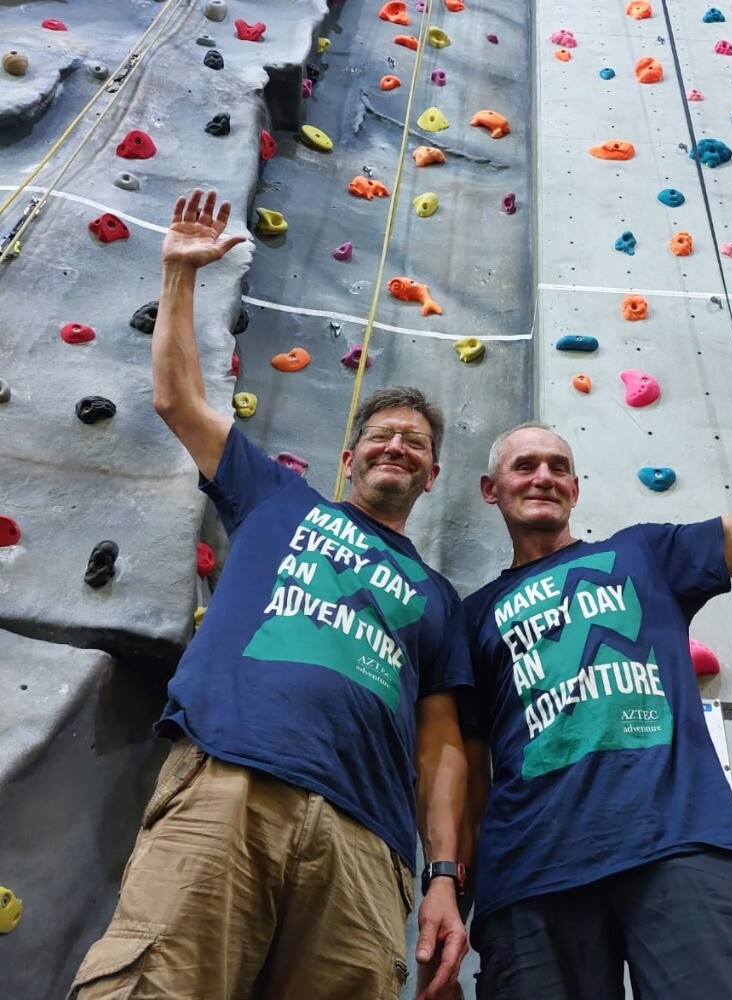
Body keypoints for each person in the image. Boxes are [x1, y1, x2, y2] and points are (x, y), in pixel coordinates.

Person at [71, 190, 471, 1000]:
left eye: (416, 444)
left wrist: (443, 880)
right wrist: (180, 275)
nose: (398, 446)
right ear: (350, 457)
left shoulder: (437, 597)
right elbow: (179, 401)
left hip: (368, 846)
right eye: (384, 436)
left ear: (431, 477)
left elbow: (442, 750)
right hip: (229, 786)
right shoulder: (278, 500)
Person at [461, 345, 732, 999]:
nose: (543, 476)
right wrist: (452, 891)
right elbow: (467, 773)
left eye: (558, 467)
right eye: (524, 465)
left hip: (680, 844)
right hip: (530, 875)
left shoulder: (645, 553)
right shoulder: (473, 615)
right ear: (492, 489)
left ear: (575, 488)